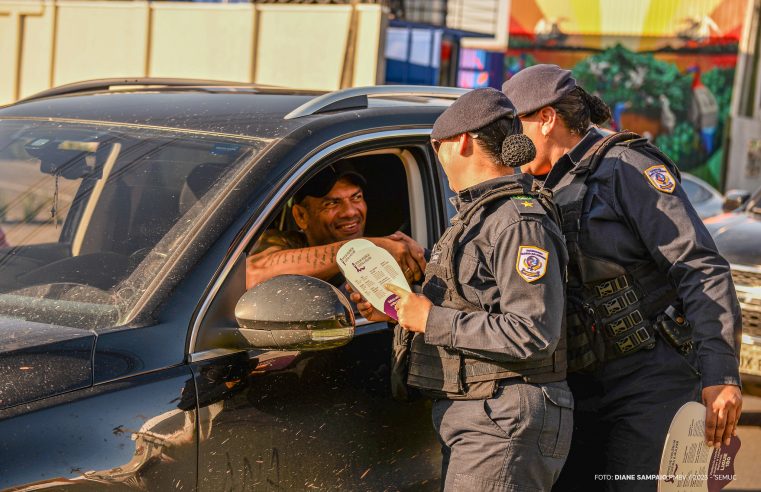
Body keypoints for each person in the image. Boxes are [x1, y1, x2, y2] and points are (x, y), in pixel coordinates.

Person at [502, 64, 743, 491]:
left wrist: (720, 374)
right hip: (576, 386)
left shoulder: (626, 167)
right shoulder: (529, 187)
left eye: (514, 124)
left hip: (649, 382)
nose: (509, 141)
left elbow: (699, 267)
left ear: (546, 118)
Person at [352, 88, 572, 491]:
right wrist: (404, 312)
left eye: (436, 146)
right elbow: (472, 303)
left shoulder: (517, 222)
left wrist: (430, 319)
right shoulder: (477, 217)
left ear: (462, 141)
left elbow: (533, 331)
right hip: (481, 413)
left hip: (503, 417)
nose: (437, 156)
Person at [246, 161, 426, 289]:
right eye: (332, 203)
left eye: (356, 197)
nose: (350, 211)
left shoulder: (397, 253)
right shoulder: (287, 243)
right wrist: (368, 247)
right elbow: (253, 272)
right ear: (301, 216)